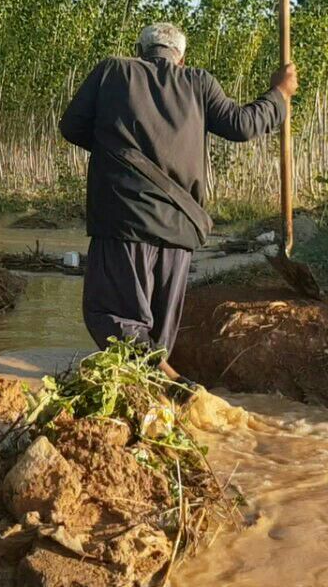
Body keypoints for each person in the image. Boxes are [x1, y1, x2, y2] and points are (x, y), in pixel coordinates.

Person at [59, 22, 298, 390]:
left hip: (125, 221)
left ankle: (168, 383)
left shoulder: (113, 71)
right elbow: (242, 125)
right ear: (181, 59)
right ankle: (156, 391)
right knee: (156, 330)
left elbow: (72, 126)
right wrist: (279, 95)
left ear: (140, 51)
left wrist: (116, 148)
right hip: (180, 228)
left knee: (111, 314)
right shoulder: (198, 83)